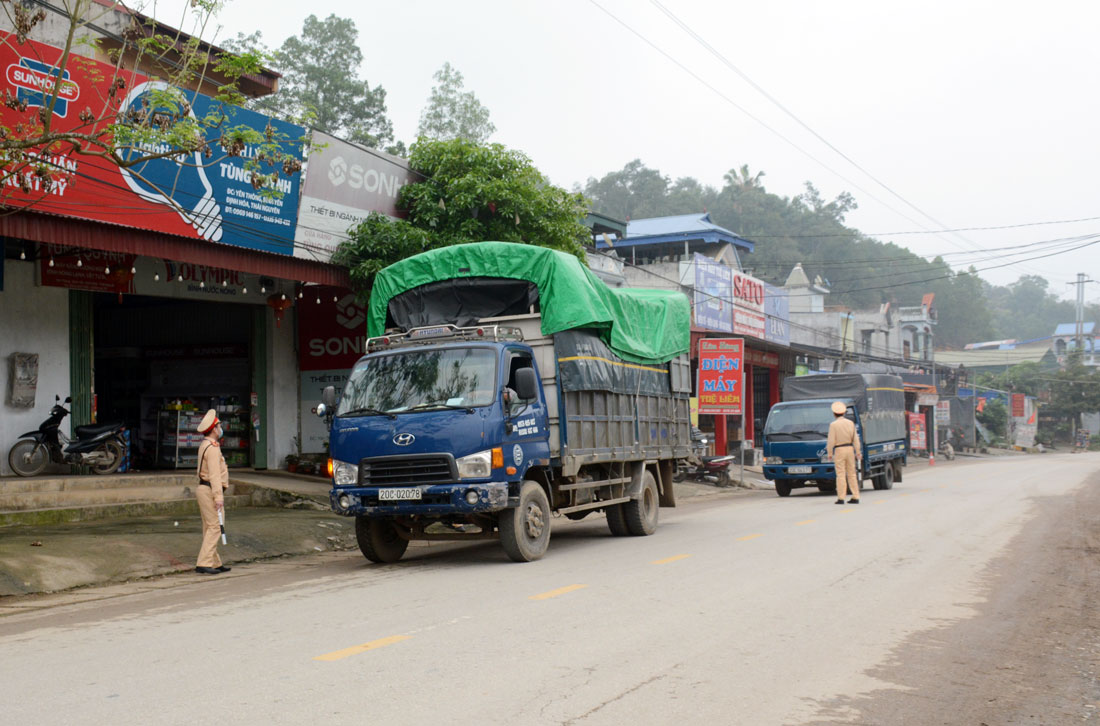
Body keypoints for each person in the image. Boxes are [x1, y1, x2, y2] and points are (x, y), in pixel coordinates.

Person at [195, 409, 230, 575]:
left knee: (209, 527)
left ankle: (215, 562)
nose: (221, 429)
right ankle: (204, 563)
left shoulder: (204, 445)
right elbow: (215, 476)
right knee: (216, 527)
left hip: (203, 488)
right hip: (210, 489)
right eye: (219, 426)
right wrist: (218, 497)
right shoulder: (213, 448)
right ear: (214, 429)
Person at [827, 400, 862, 505]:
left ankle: (841, 497)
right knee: (852, 473)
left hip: (839, 450)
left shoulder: (833, 425)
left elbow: (831, 440)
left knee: (841, 474)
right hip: (850, 449)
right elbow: (855, 438)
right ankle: (855, 496)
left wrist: (829, 453)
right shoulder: (850, 423)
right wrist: (858, 451)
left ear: (834, 414)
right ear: (844, 412)